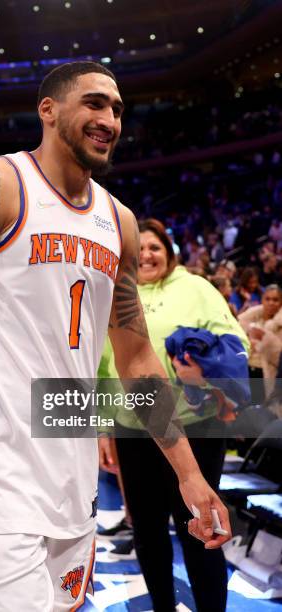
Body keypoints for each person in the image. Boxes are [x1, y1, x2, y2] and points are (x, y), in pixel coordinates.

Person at [0, 61, 231, 611]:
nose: (109, 118)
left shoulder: (119, 221)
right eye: (95, 103)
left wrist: (190, 476)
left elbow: (135, 359)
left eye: (117, 109)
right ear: (49, 109)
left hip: (73, 482)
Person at [99, 218, 249, 612]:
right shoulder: (113, 293)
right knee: (147, 531)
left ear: (168, 252)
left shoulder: (197, 288)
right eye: (140, 248)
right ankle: (162, 606)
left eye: (154, 247)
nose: (146, 255)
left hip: (196, 429)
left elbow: (237, 343)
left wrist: (204, 372)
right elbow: (101, 367)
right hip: (133, 431)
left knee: (200, 529)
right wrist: (102, 428)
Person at [238, 284, 282, 402]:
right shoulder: (248, 319)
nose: (271, 303)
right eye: (267, 299)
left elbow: (279, 357)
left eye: (275, 300)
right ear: (262, 300)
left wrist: (265, 341)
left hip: (266, 375)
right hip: (245, 371)